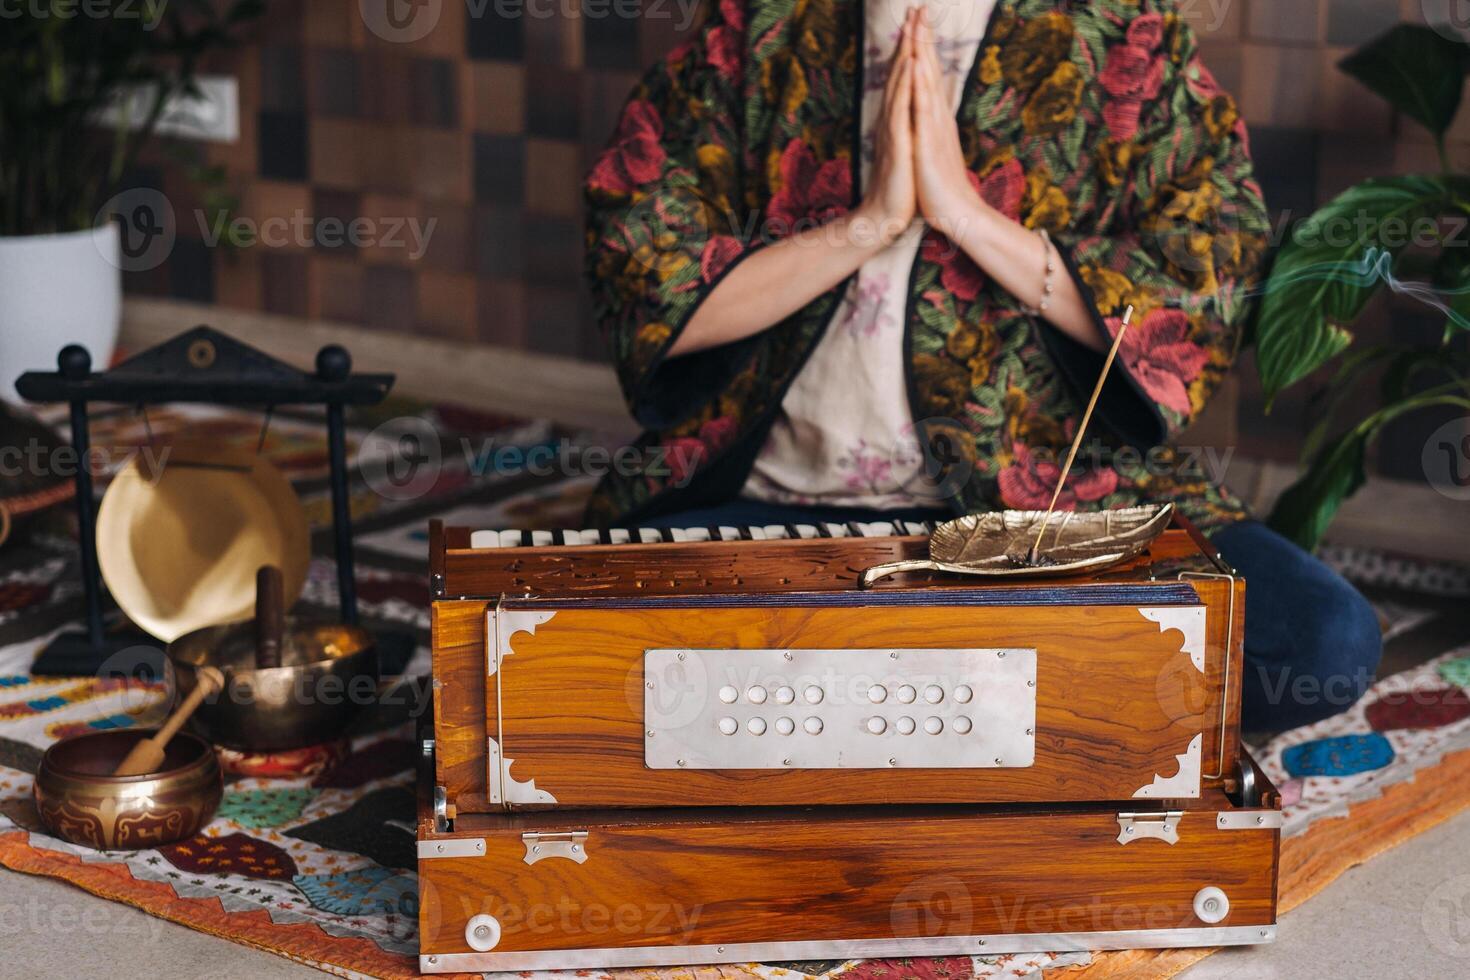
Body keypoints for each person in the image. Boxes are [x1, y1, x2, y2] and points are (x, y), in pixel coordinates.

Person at [582, 0, 1381, 730]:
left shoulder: (1120, 27)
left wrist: (963, 213)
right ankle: (987, 697)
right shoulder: (758, 27)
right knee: (571, 647)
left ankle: (870, 696)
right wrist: (870, 224)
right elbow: (643, 254)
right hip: (772, 503)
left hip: (1051, 517)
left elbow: (1208, 261)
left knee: (1321, 642)